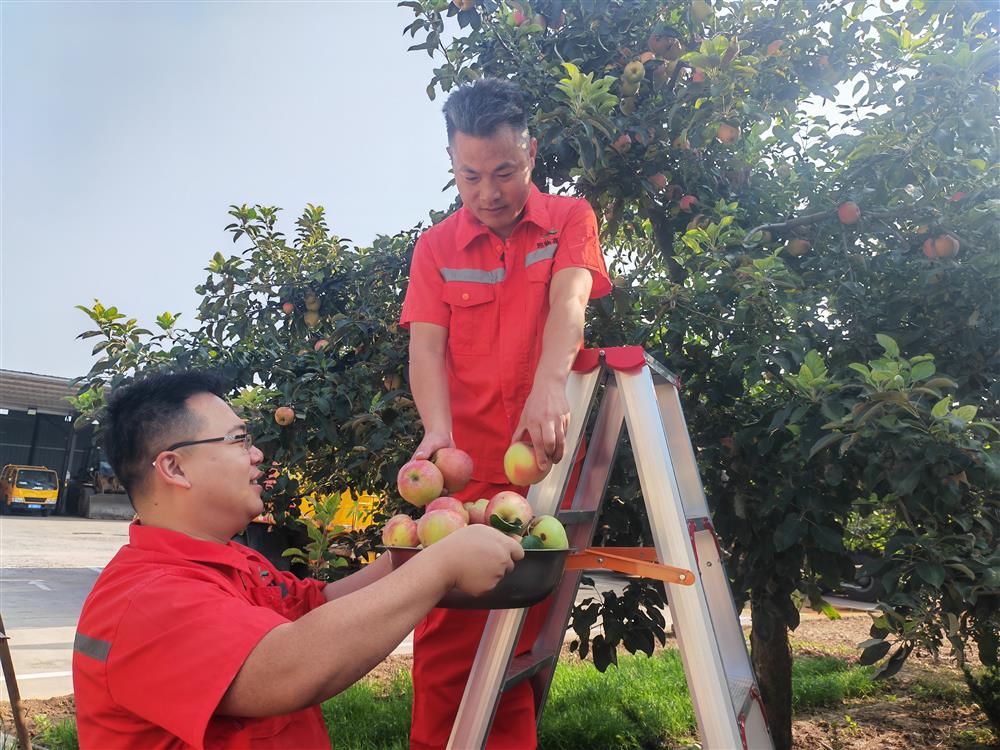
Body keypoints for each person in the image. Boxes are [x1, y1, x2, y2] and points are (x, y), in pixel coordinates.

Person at [72, 370, 524, 749]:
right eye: (238, 440)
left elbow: (321, 607)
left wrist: (413, 552)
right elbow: (287, 667)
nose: (256, 454)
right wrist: (440, 566)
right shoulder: (144, 600)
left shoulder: (234, 562)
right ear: (174, 468)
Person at [400, 78, 611, 750]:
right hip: (461, 479)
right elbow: (425, 349)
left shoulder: (568, 219)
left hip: (537, 469)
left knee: (512, 646)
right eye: (469, 176)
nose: (487, 192)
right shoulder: (435, 249)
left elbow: (569, 306)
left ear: (531, 154)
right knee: (444, 642)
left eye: (505, 172)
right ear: (451, 165)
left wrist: (550, 386)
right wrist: (436, 428)